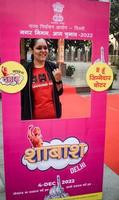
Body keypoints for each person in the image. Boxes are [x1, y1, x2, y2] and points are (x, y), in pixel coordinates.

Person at [21, 38, 63, 120]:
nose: (43, 50)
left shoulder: (53, 67)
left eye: (45, 48)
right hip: (33, 121)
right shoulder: (25, 70)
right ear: (32, 50)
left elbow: (60, 92)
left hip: (54, 118)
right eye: (39, 48)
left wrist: (58, 80)